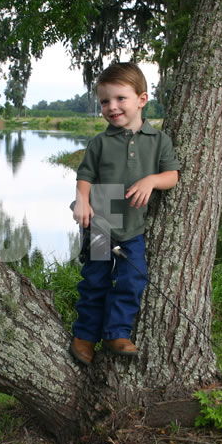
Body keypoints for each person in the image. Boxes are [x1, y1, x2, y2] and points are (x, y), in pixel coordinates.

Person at [70, 62, 180, 365]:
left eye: (120, 98)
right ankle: (85, 336)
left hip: (133, 225)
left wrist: (151, 180)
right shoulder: (99, 143)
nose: (112, 107)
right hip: (101, 221)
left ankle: (117, 333)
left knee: (133, 279)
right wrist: (82, 201)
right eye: (105, 101)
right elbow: (85, 176)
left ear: (142, 99)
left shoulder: (158, 140)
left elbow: (172, 176)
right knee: (95, 281)